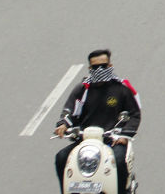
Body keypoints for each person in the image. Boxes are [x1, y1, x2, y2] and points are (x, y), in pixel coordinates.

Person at [53, 49, 141, 194]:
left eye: (103, 66)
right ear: (89, 68)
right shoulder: (83, 89)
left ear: (110, 66)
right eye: (95, 67)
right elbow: (70, 110)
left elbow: (134, 114)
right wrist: (63, 124)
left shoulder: (121, 89)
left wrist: (124, 136)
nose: (99, 70)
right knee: (61, 158)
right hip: (85, 141)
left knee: (119, 161)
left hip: (113, 140)